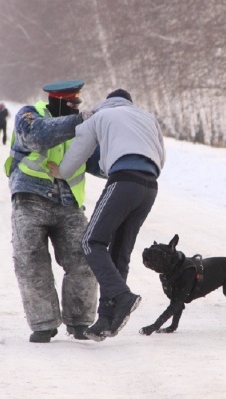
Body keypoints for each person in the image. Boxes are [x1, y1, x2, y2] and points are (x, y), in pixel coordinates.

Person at [48, 88, 165, 342]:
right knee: (119, 251)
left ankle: (122, 297)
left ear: (107, 102)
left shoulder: (99, 117)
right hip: (149, 186)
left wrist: (63, 172)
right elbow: (160, 156)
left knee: (91, 241)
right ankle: (106, 320)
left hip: (123, 181)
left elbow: (80, 150)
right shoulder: (146, 118)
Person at [4, 80, 100, 343]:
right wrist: (81, 121)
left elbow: (98, 162)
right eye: (70, 104)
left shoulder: (81, 127)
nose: (75, 108)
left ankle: (80, 322)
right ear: (55, 101)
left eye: (77, 104)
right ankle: (43, 324)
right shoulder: (29, 115)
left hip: (69, 204)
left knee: (84, 260)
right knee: (31, 262)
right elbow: (38, 136)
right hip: (30, 199)